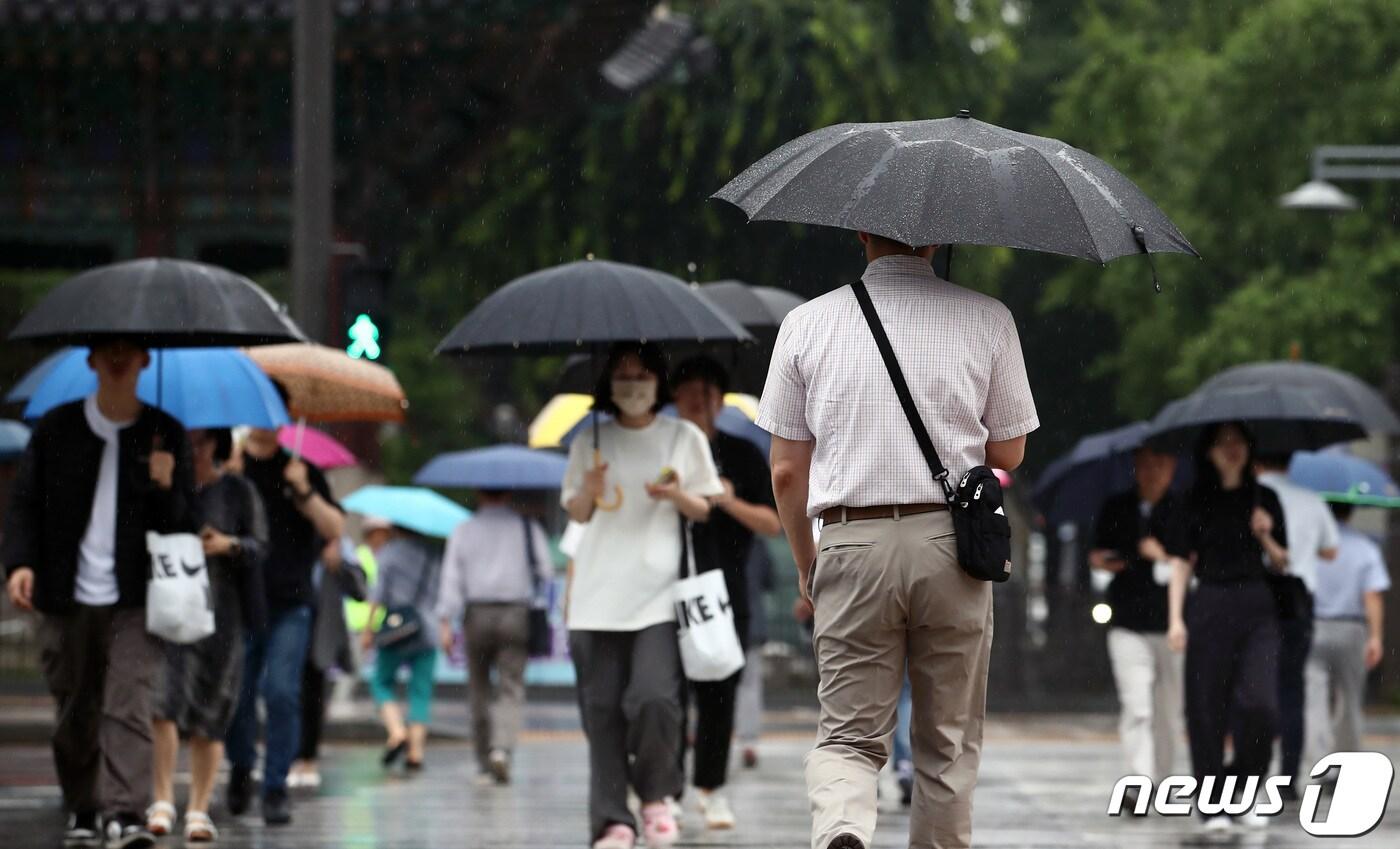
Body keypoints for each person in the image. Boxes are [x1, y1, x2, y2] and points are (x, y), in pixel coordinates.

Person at [758, 236, 1038, 849]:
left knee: (848, 734)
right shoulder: (988, 316)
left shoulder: (806, 323)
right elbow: (1010, 450)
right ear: (938, 238)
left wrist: (809, 565)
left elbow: (784, 471)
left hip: (850, 542)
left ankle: (842, 825)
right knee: (947, 742)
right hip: (951, 547)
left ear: (862, 234)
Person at [2, 340, 199, 849]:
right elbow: (23, 503)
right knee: (75, 707)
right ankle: (84, 807)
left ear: (144, 361)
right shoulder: (56, 428)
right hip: (66, 594)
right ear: (90, 361)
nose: (118, 357)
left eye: (128, 350)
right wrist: (20, 563)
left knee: (129, 702)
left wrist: (164, 484)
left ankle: (126, 813)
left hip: (136, 597)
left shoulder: (165, 433)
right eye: (107, 349)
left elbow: (184, 524)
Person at [562, 342, 724, 849]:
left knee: (655, 699)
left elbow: (704, 507)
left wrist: (674, 494)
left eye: (642, 376)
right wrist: (589, 486)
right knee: (603, 711)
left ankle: (657, 796)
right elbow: (578, 514)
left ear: (659, 382)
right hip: (595, 598)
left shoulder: (683, 437)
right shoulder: (588, 440)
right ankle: (612, 820)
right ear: (608, 385)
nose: (633, 386)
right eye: (622, 377)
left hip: (657, 595)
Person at [671, 356, 781, 830]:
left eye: (709, 391)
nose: (700, 400)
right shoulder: (662, 449)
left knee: (720, 694)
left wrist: (728, 500)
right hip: (666, 587)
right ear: (674, 400)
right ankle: (665, 789)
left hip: (728, 590)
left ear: (720, 400)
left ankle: (711, 788)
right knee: (668, 696)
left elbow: (772, 523)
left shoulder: (743, 454)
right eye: (690, 391)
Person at [1166, 422, 1289, 835]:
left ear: (1251, 449)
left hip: (1258, 606)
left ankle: (1243, 788)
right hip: (1210, 603)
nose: (1232, 449)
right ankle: (1211, 801)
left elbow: (1284, 562)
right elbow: (1182, 561)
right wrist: (1175, 619)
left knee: (1262, 705)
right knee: (1206, 708)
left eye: (1239, 441)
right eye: (1223, 443)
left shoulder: (1266, 497)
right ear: (1209, 452)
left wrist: (1267, 536)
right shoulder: (1194, 500)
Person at [149, 428, 267, 844]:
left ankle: (199, 807)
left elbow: (259, 547)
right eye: (185, 441)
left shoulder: (238, 491)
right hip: (169, 608)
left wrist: (229, 545)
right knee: (162, 702)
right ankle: (161, 798)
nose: (192, 449)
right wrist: (162, 489)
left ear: (214, 444)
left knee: (213, 710)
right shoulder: (164, 484)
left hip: (223, 614)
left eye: (199, 441)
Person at [225, 415, 344, 826]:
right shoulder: (232, 466)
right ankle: (241, 766)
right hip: (241, 601)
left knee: (281, 692)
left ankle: (275, 785)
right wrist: (230, 481)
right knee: (238, 696)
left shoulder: (301, 468)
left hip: (291, 602)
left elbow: (335, 527)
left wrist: (304, 492)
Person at [436, 490, 552, 785]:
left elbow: (451, 577)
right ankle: (502, 748)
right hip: (516, 613)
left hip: (476, 613)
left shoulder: (464, 530)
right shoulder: (526, 528)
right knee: (510, 686)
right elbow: (547, 571)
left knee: (479, 688)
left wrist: (445, 621)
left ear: (478, 493)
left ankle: (484, 762)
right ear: (509, 493)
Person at [1088, 446, 1185, 793]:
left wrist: (1161, 555)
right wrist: (1102, 561)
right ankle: (1138, 780)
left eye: (1159, 463)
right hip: (1128, 621)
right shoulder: (1117, 507)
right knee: (1137, 705)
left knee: (1168, 711)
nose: (1152, 472)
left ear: (1172, 466)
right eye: (1144, 465)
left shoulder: (1184, 510)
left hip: (1172, 626)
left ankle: (1161, 775)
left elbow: (1191, 564)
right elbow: (1097, 551)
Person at [1255, 453, 1339, 793]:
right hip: (1297, 601)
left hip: (1256, 599)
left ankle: (1251, 771)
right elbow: (1332, 551)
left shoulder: (1249, 497)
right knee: (1292, 691)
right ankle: (1288, 777)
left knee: (1254, 687)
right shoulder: (1312, 501)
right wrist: (1306, 548)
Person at [1304, 502, 1388, 767]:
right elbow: (1372, 594)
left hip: (1313, 625)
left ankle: (1319, 761)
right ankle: (1346, 762)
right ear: (1351, 511)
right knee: (1350, 701)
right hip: (1351, 628)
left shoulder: (1312, 544)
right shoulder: (1365, 547)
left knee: (1314, 699)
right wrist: (1375, 636)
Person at [288, 535, 368, 790]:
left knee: (312, 695)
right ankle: (288, 757)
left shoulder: (338, 545)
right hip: (286, 623)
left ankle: (307, 757)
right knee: (285, 693)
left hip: (319, 628)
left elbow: (360, 589)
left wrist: (338, 563)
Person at [362, 526, 443, 771]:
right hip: (428, 630)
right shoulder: (434, 554)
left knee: (381, 681)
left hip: (396, 630)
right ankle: (416, 752)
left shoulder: (389, 554)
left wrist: (368, 630)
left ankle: (397, 731)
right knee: (421, 691)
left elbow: (377, 596)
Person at [734, 539, 774, 770]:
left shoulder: (714, 533)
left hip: (720, 620)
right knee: (749, 685)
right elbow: (769, 579)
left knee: (710, 682)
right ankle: (748, 742)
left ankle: (701, 735)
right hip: (751, 620)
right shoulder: (757, 542)